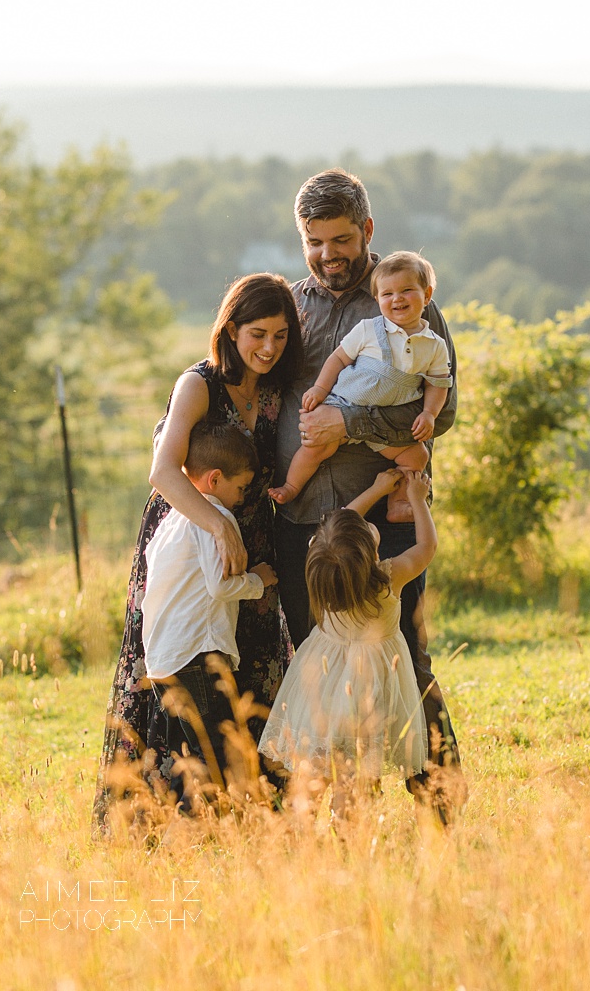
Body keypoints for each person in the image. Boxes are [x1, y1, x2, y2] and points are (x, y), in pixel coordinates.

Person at [273, 168, 466, 823]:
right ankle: (345, 819)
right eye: (314, 241)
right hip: (305, 528)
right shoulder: (293, 305)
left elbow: (443, 412)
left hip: (383, 524)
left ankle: (443, 808)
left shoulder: (402, 299)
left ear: (368, 232)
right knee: (323, 671)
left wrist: (350, 425)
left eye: (340, 239)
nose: (328, 254)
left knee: (402, 661)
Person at [94, 273, 303, 829]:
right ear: (230, 329)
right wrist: (217, 524)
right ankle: (161, 816)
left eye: (281, 336)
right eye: (258, 333)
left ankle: (254, 810)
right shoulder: (199, 383)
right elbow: (163, 470)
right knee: (179, 668)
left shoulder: (280, 387)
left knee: (254, 664)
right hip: (189, 532)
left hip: (252, 536)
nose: (268, 347)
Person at [259, 470, 435, 821]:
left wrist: (374, 487)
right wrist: (417, 497)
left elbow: (337, 524)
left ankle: (299, 828)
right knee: (357, 777)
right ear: (370, 555)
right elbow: (427, 547)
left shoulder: (321, 571)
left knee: (316, 766)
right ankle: (350, 834)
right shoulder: (388, 578)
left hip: (322, 687)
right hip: (368, 691)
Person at [141, 422, 278, 812]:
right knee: (216, 755)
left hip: (163, 658)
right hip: (196, 655)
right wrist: (258, 581)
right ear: (215, 479)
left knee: (190, 753)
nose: (241, 498)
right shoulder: (213, 518)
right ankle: (188, 830)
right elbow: (220, 586)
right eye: (240, 488)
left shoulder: (169, 523)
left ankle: (187, 831)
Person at [269, 251, 452, 524]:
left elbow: (438, 384)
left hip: (381, 424)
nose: (397, 298)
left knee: (417, 456)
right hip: (343, 402)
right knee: (314, 448)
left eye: (406, 291)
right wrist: (320, 390)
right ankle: (291, 487)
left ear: (426, 296)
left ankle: (399, 501)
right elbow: (338, 358)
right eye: (387, 294)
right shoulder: (368, 329)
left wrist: (429, 413)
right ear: (377, 299)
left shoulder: (434, 345)